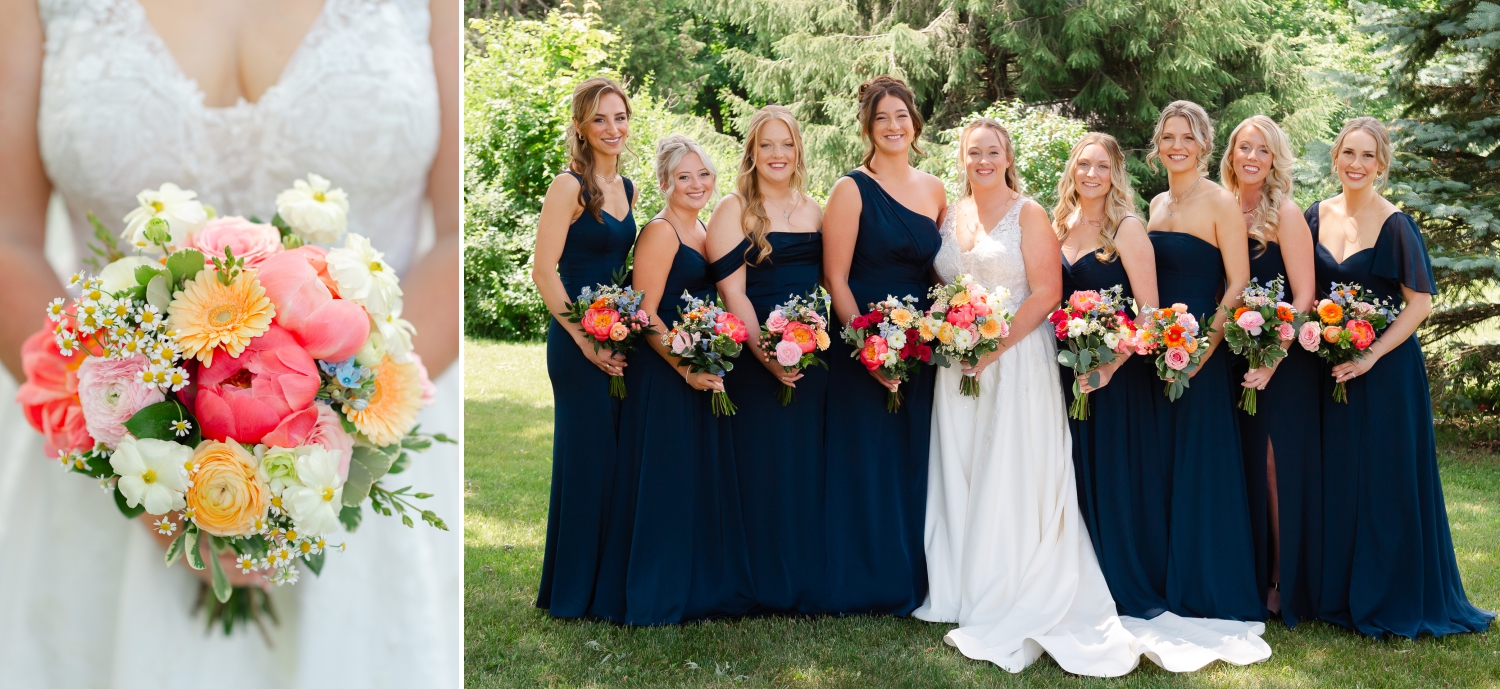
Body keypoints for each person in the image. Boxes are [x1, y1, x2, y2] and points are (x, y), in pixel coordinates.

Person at [0, 0, 462, 685]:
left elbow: (457, 233)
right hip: (109, 483)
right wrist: (139, 462)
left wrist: (337, 442)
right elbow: (9, 237)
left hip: (364, 471)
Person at [914, 119, 1140, 676]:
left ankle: (1010, 583)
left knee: (1008, 471)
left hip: (1015, 361)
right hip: (958, 361)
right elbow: (943, 283)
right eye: (973, 153)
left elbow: (1046, 292)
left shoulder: (1030, 213)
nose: (983, 161)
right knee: (961, 467)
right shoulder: (950, 214)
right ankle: (959, 586)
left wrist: (993, 347)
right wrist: (952, 331)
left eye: (993, 151)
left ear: (1007, 155)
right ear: (962, 157)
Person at [1307, 117, 1494, 639]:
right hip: (1330, 369)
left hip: (1386, 372)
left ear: (1381, 164)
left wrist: (1372, 355)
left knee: (1386, 481)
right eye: (1348, 153)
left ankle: (1391, 595)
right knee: (1339, 479)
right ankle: (1338, 593)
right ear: (1336, 157)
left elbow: (1420, 305)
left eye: (1368, 156)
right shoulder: (1313, 215)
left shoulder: (1396, 224)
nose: (1356, 164)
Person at [589, 135, 754, 625]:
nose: (697, 184)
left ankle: (700, 584)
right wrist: (687, 367)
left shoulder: (703, 228)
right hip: (664, 376)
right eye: (684, 176)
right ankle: (657, 589)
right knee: (666, 481)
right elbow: (644, 311)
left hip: (699, 365)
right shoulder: (661, 232)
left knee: (695, 479)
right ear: (664, 183)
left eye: (703, 175)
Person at [820, 75, 946, 616]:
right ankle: (862, 580)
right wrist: (866, 349)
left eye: (901, 117)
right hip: (861, 339)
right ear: (868, 128)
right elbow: (836, 278)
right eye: (881, 119)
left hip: (919, 344)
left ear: (914, 123)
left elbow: (940, 271)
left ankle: (912, 576)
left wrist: (942, 322)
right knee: (866, 458)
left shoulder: (936, 188)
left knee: (913, 457)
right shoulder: (850, 188)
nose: (893, 127)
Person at [706, 105, 828, 615]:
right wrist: (767, 356)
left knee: (805, 467)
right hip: (756, 355)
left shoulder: (814, 208)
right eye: (766, 145)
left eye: (786, 144)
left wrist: (809, 341)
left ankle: (803, 577)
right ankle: (757, 580)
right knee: (761, 468)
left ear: (798, 149)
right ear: (751, 152)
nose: (778, 154)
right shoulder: (733, 209)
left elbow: (824, 281)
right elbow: (733, 293)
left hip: (812, 357)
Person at [532, 77, 637, 619]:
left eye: (619, 117)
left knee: (617, 462)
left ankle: (607, 585)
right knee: (586, 460)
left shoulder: (630, 189)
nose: (612, 129)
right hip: (576, 342)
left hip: (619, 339)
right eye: (600, 119)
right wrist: (582, 337)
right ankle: (571, 592)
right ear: (581, 126)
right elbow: (544, 271)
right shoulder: (567, 185)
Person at [1053, 133, 1170, 621]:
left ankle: (1122, 579)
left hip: (1116, 380)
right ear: (1072, 170)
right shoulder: (1060, 225)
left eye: (1102, 166)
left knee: (1115, 476)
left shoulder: (1127, 228)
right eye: (1084, 165)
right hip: (1069, 374)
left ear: (1115, 172)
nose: (1091, 174)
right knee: (1074, 474)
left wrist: (1108, 365)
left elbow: (1150, 315)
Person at [1219, 115, 1321, 625]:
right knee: (1240, 465)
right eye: (1244, 147)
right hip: (1229, 356)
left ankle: (1283, 578)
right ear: (1232, 154)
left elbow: (1304, 295)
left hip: (1278, 359)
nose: (1252, 157)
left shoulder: (1285, 213)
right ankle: (1248, 572)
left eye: (1262, 149)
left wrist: (1273, 356)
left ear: (1274, 157)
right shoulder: (1219, 206)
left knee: (1274, 468)